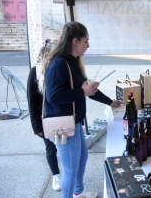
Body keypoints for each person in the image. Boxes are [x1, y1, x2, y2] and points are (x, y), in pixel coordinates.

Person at [38, 21, 123, 198]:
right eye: (86, 41)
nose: (88, 45)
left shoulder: (72, 62)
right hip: (64, 128)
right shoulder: (58, 64)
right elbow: (54, 97)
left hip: (74, 124)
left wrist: (110, 102)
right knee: (69, 170)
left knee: (82, 159)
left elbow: (86, 90)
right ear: (75, 41)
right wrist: (82, 91)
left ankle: (78, 192)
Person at [27, 39, 62, 191]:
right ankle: (56, 176)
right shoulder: (35, 72)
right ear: (47, 54)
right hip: (45, 120)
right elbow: (32, 101)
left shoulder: (60, 69)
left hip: (62, 116)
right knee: (51, 148)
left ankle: (66, 173)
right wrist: (37, 126)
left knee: (64, 146)